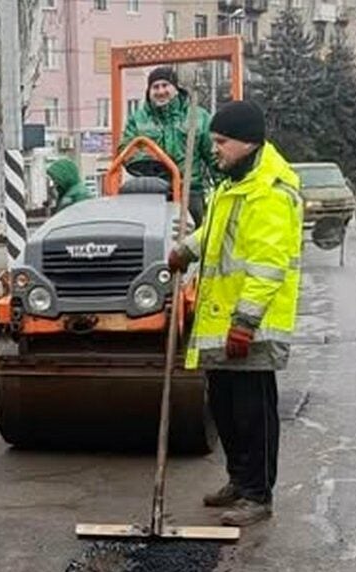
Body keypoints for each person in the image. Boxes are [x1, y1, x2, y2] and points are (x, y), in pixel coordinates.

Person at [168, 100, 302, 527]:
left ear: (248, 142)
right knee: (224, 409)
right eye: (213, 141)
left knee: (253, 414)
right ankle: (238, 480)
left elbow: (267, 265)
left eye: (222, 142)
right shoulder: (234, 184)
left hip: (252, 326)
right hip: (221, 320)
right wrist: (186, 250)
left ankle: (258, 493)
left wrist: (245, 322)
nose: (216, 149)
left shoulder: (271, 192)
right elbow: (215, 231)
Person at [119, 66, 215, 224]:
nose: (160, 91)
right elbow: (126, 150)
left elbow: (213, 154)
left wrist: (224, 186)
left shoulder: (198, 117)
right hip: (153, 193)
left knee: (192, 240)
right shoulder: (138, 120)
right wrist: (154, 164)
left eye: (165, 85)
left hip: (189, 191)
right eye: (155, 87)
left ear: (176, 89)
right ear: (149, 91)